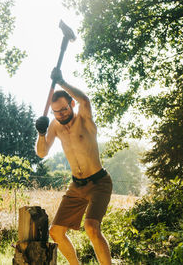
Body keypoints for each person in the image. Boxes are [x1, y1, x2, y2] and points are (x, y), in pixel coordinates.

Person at [35, 68, 113, 265]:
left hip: (99, 182)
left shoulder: (84, 118)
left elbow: (85, 100)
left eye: (64, 109)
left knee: (92, 228)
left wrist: (61, 82)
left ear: (71, 104)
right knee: (56, 231)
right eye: (57, 112)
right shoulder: (54, 125)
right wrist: (41, 133)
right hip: (76, 186)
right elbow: (42, 153)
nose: (61, 114)